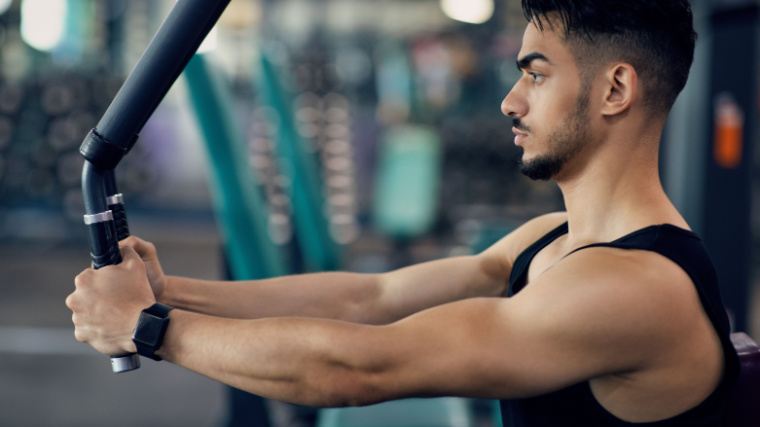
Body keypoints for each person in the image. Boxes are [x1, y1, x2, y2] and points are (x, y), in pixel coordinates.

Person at [66, 0, 740, 425]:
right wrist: (168, 293)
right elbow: (371, 296)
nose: (510, 100)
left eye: (535, 73)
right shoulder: (554, 238)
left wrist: (150, 328)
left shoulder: (633, 289)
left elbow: (366, 368)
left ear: (615, 88)